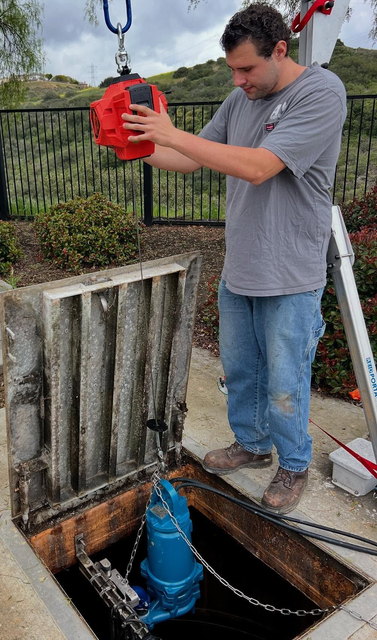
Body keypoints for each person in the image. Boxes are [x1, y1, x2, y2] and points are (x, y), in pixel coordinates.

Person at [121, 3, 347, 514]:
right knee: (242, 372)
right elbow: (187, 157)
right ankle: (252, 443)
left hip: (291, 275)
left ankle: (293, 463)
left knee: (285, 383)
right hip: (241, 266)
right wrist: (132, 140)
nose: (239, 79)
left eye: (247, 68)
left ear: (280, 50)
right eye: (232, 70)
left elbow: (261, 167)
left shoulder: (320, 92)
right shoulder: (239, 99)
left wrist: (172, 132)